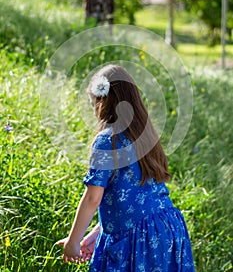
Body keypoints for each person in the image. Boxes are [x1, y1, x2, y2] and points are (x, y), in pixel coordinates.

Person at [56, 64, 195, 271]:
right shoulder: (144, 133)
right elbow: (129, 197)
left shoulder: (106, 141)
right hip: (167, 227)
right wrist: (95, 234)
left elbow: (93, 199)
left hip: (138, 239)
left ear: (102, 101)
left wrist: (73, 243)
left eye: (93, 103)